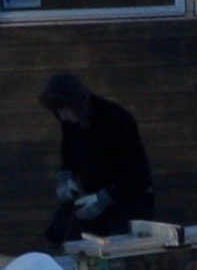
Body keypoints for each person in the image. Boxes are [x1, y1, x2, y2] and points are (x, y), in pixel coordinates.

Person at [40, 71, 155, 243]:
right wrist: (66, 176)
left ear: (76, 103)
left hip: (128, 201)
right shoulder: (71, 123)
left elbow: (135, 170)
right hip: (93, 198)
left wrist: (105, 197)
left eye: (64, 110)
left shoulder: (116, 118)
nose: (62, 116)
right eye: (58, 112)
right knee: (69, 240)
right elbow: (68, 150)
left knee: (117, 247)